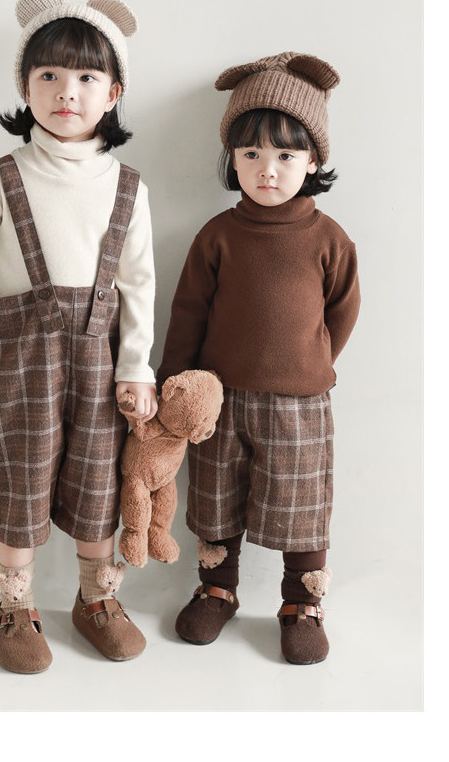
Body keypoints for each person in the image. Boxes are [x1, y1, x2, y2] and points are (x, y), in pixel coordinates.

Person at [0, 0, 157, 674]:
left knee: (97, 481)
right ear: (26, 88)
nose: (66, 91)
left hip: (100, 365)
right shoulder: (4, 178)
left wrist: (137, 367)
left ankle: (95, 598)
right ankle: (15, 607)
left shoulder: (128, 187)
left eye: (86, 77)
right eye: (48, 74)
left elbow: (139, 285)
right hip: (19, 363)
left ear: (113, 93)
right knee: (18, 480)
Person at [157, 52, 360, 665]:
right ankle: (217, 589)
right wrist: (172, 384)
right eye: (251, 154)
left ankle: (303, 602)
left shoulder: (329, 239)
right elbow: (188, 312)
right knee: (216, 497)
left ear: (313, 160)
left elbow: (342, 310)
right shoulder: (217, 235)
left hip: (300, 403)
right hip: (220, 400)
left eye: (286, 156)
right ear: (232, 159)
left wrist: (312, 362)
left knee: (302, 504)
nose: (267, 170)